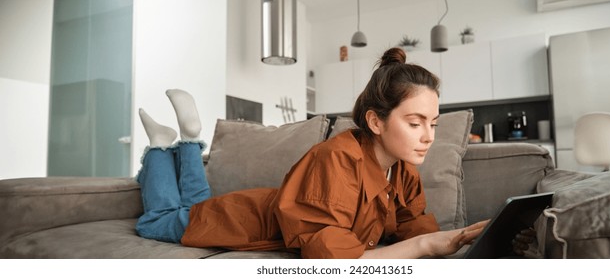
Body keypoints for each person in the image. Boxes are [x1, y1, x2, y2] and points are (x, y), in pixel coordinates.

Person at [136, 47, 517, 258]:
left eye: (433, 123)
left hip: (245, 207)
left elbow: (412, 226)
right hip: (237, 220)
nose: (429, 136)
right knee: (159, 220)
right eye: (415, 123)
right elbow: (334, 261)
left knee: (194, 202)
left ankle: (187, 139)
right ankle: (159, 146)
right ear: (376, 121)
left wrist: (458, 240)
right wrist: (423, 246)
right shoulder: (336, 158)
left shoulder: (403, 173)